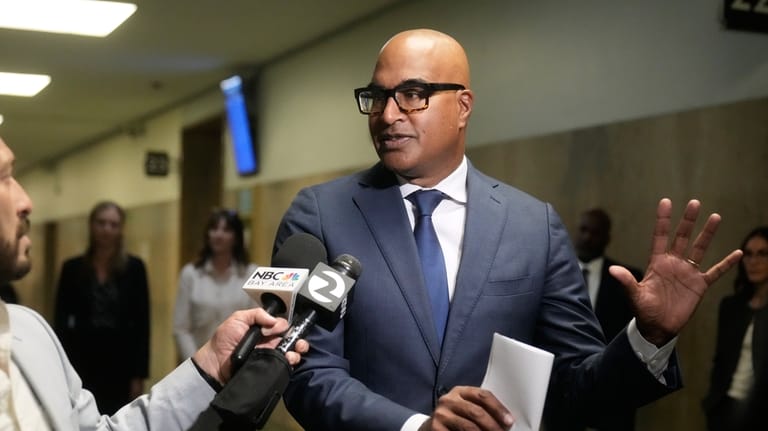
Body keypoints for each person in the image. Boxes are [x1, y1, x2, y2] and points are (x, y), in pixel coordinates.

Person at [277, 29, 742, 431]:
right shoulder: (321, 215)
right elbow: (307, 371)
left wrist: (649, 337)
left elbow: (579, 386)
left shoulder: (533, 226)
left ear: (463, 107)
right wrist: (417, 426)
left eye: (413, 94)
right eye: (377, 97)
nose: (388, 114)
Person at [0, 136, 308, 430]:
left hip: (119, 365)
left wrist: (210, 366)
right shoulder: (76, 271)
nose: (26, 201)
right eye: (4, 177)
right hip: (85, 357)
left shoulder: (31, 331)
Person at [53, 200, 150, 415]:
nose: (107, 229)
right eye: (101, 223)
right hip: (82, 359)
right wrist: (61, 367)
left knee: (117, 417)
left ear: (121, 229)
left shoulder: (134, 268)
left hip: (120, 362)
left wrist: (138, 375)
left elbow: (142, 324)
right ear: (91, 225)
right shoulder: (72, 268)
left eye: (113, 224)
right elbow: (60, 321)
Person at [573, 207, 645, 431]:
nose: (587, 237)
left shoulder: (626, 280)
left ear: (607, 238)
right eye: (583, 230)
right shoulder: (555, 273)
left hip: (612, 396)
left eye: (595, 232)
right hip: (562, 396)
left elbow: (637, 341)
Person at [702, 226, 768, 431]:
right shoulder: (731, 306)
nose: (753, 261)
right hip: (726, 407)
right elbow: (721, 361)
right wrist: (712, 403)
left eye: (762, 254)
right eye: (748, 254)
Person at [174, 208, 258, 360]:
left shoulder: (251, 273)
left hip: (238, 364)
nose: (218, 235)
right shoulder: (191, 274)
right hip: (196, 362)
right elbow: (181, 328)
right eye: (214, 229)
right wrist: (196, 363)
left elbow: (256, 323)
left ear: (236, 237)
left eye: (226, 230)